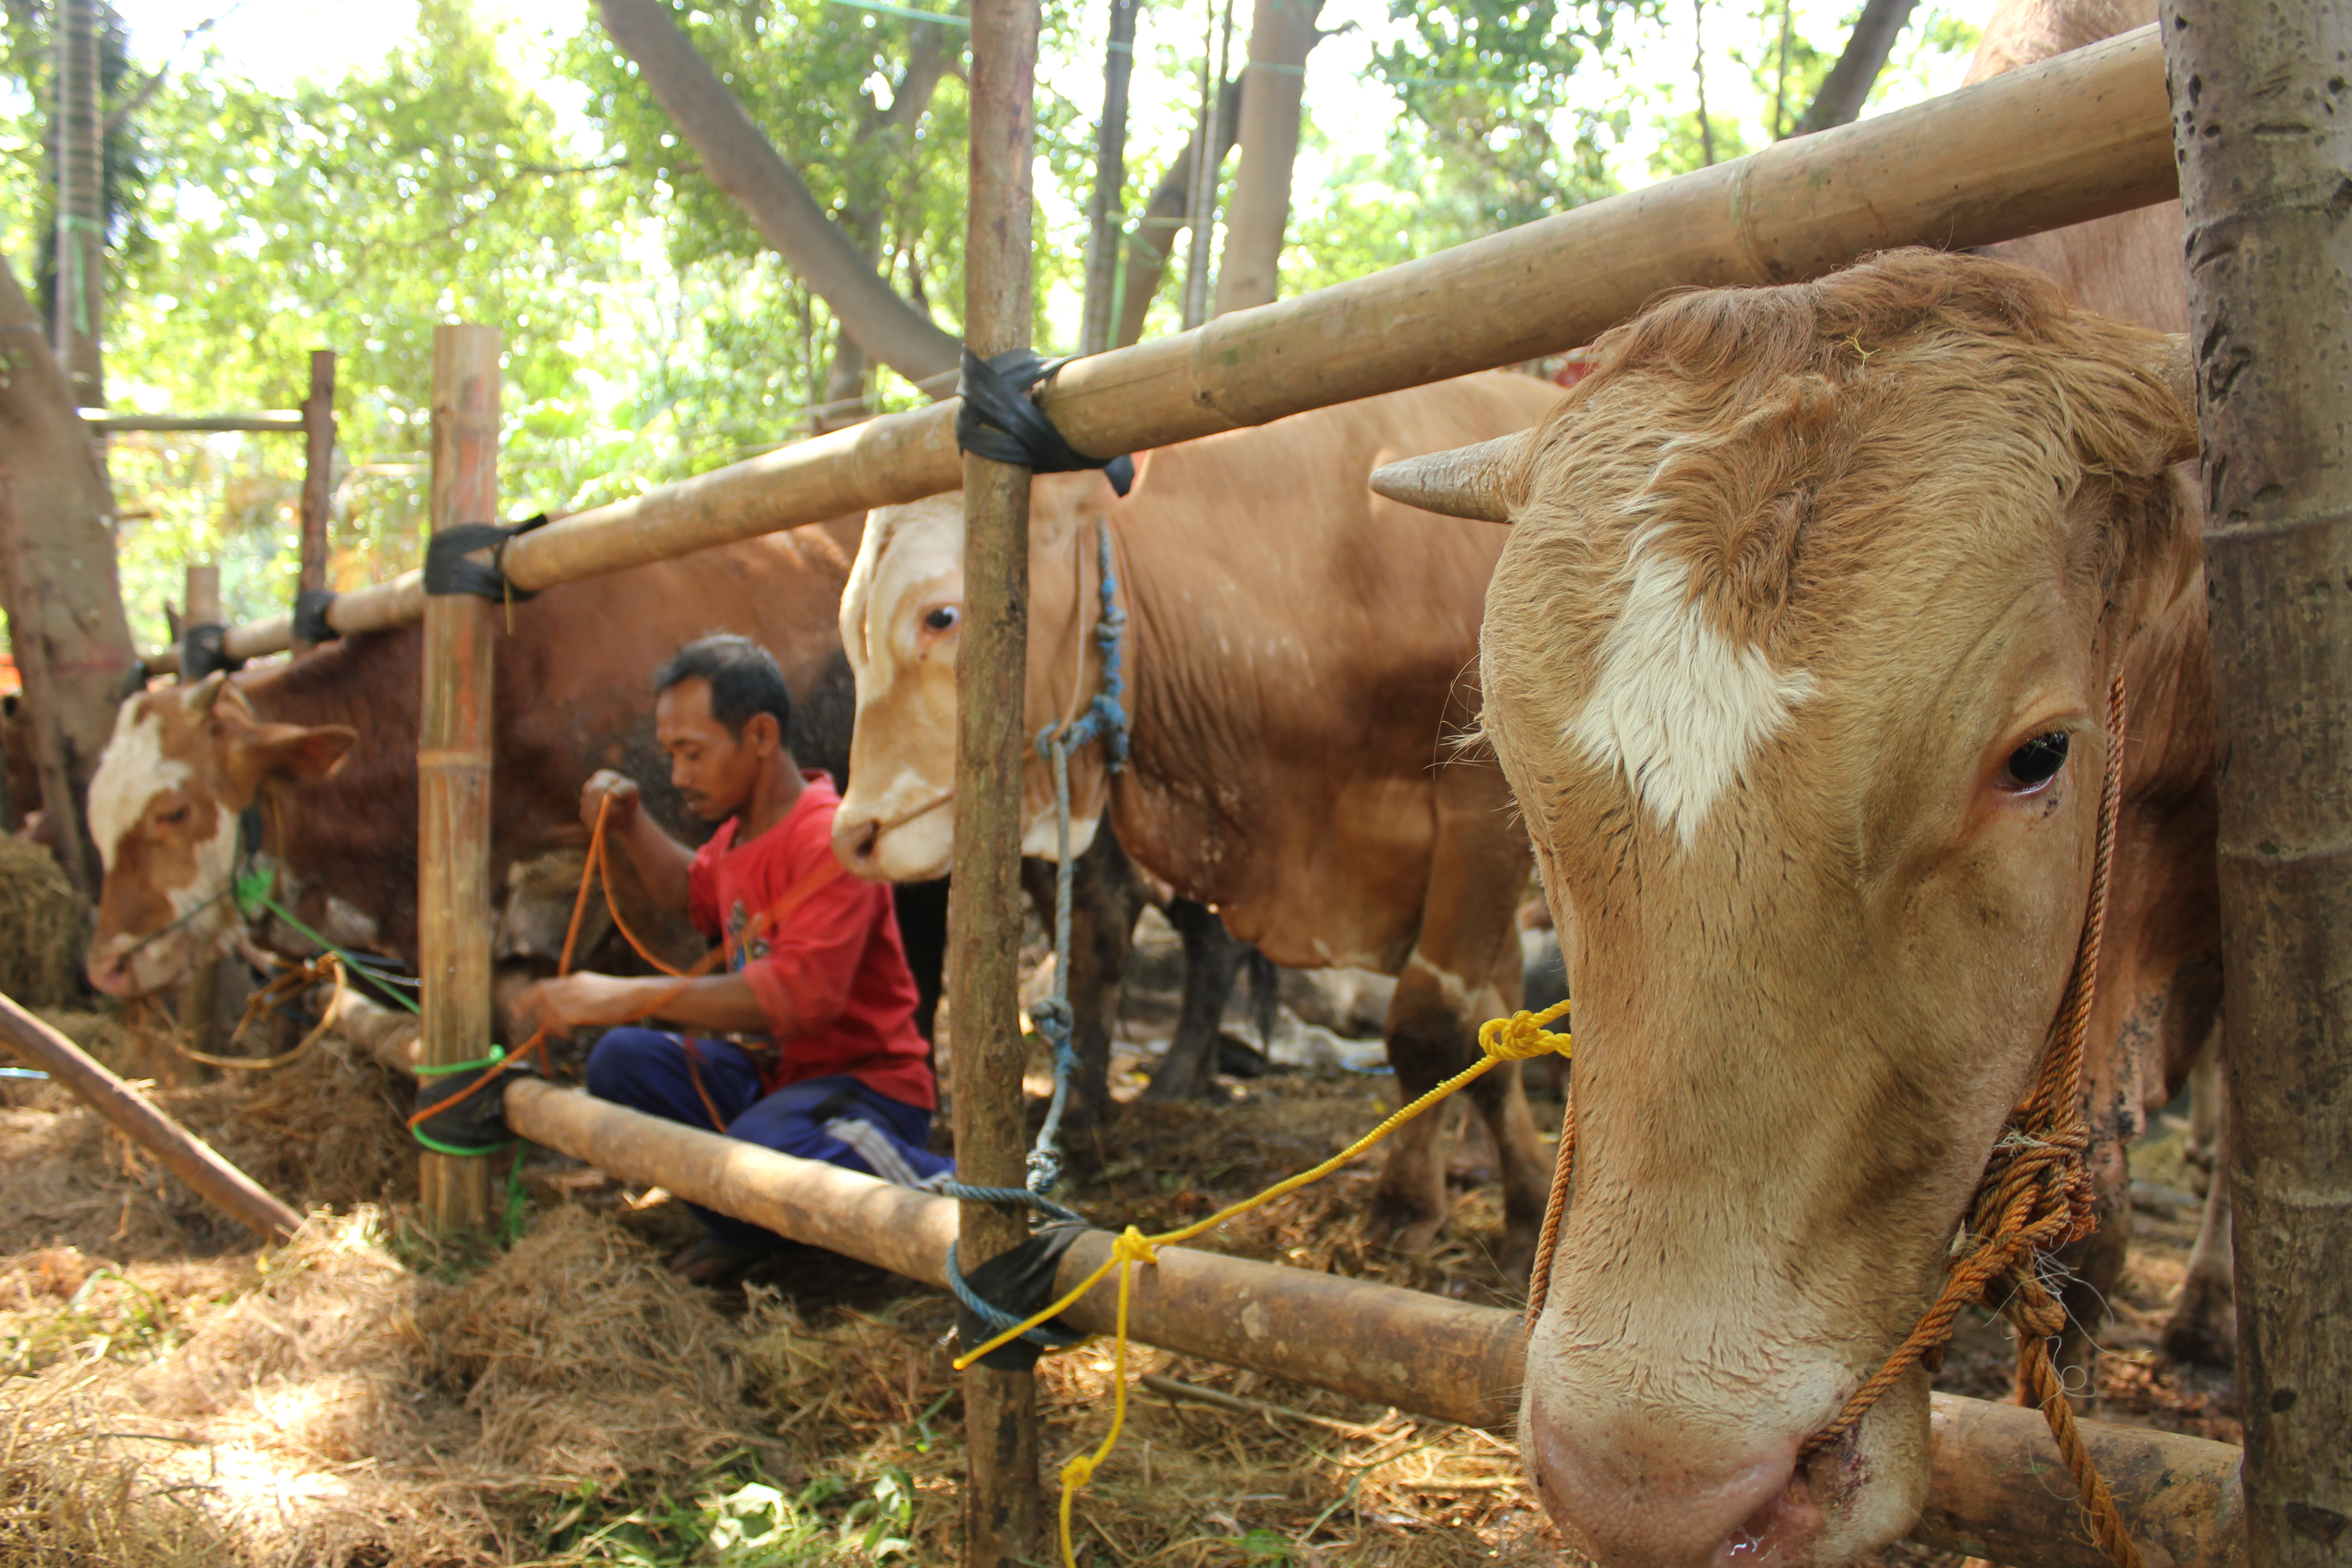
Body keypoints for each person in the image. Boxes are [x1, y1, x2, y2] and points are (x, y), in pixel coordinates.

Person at [512, 635, 950, 1280]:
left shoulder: (827, 834)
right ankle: (768, 1227)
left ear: (762, 735)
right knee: (620, 1063)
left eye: (693, 753)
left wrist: (624, 996)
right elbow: (691, 892)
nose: (679, 776)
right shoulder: (741, 835)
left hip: (866, 1093)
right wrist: (630, 822)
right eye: (671, 756)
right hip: (780, 1082)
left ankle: (960, 1195)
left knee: (756, 1152)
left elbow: (804, 998)